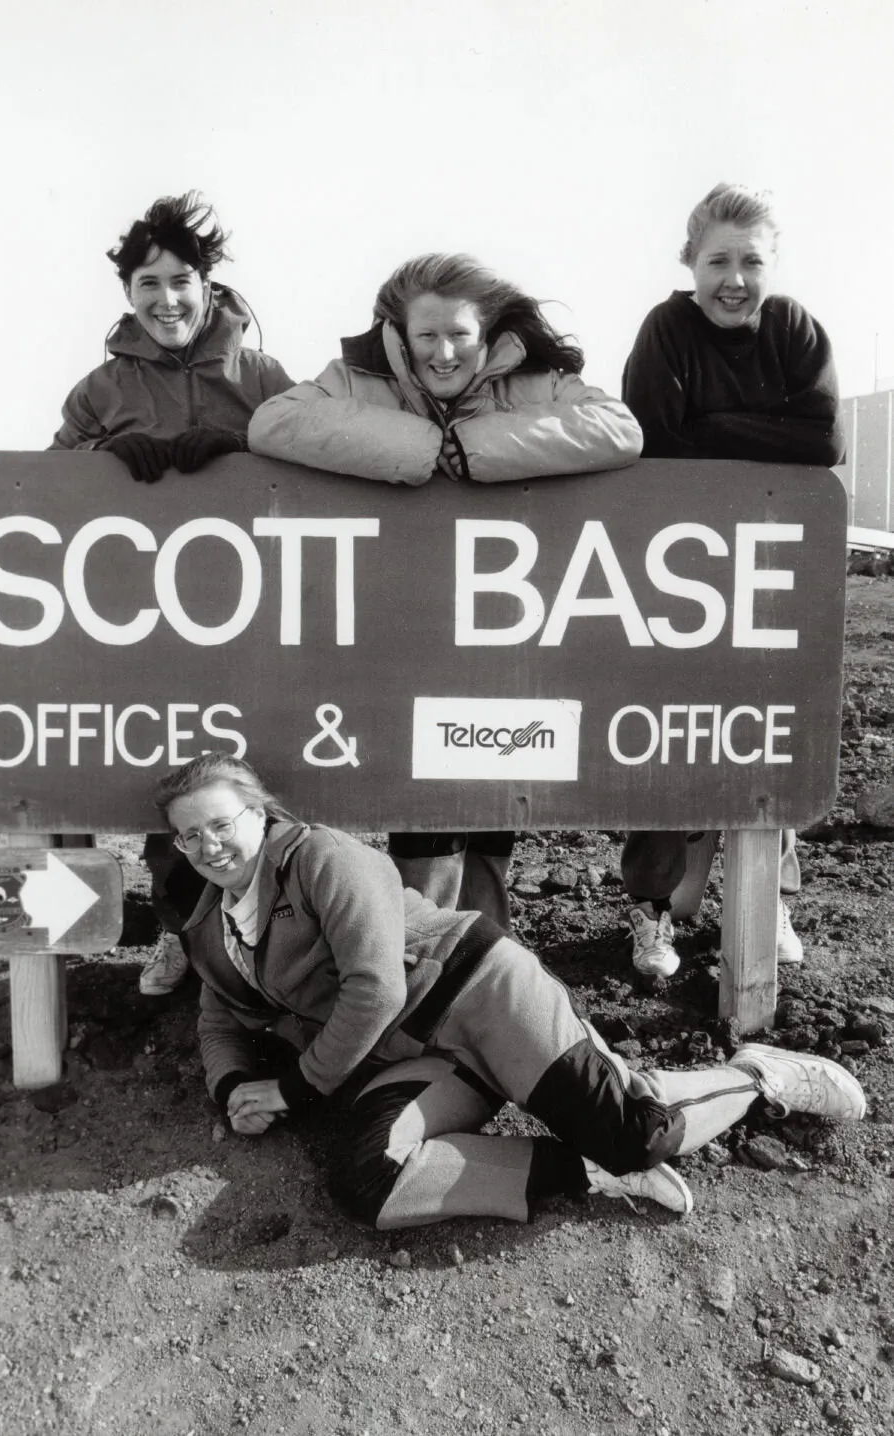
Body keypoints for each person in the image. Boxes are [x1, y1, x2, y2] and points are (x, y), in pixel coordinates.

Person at [154, 752, 866, 1230]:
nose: (210, 845)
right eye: (190, 837)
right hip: (421, 1056)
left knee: (641, 1133)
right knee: (364, 1180)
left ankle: (759, 1076)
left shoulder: (320, 857)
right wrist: (234, 1089)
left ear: (260, 812)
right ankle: (587, 1170)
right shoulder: (212, 923)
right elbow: (218, 1016)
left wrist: (294, 1090)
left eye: (223, 823)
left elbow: (372, 990)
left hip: (480, 996)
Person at [248, 253, 644, 926]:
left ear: (485, 333)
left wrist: (477, 448)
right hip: (395, 636)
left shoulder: (536, 383)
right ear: (400, 334)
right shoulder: (355, 379)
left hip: (500, 635)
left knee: (490, 800)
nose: (444, 351)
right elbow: (272, 423)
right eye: (426, 335)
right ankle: (417, 974)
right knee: (422, 814)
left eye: (459, 333)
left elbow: (619, 428)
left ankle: (485, 968)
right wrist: (420, 447)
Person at [51, 192, 294, 995]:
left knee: (259, 783)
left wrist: (242, 444)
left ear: (208, 283)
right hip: (151, 622)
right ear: (128, 292)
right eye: (148, 283)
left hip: (253, 617)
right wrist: (105, 455)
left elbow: (311, 461)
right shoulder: (98, 388)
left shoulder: (261, 373)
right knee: (173, 777)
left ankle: (276, 945)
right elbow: (50, 485)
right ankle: (179, 936)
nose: (168, 299)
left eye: (182, 279)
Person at [618, 183, 845, 979]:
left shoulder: (795, 330)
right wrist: (759, 439)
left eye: (752, 260)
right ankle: (653, 914)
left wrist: (710, 429)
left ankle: (765, 903)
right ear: (691, 262)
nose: (736, 279)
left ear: (773, 263)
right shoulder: (666, 329)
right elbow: (654, 442)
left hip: (769, 573)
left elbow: (823, 438)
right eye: (719, 260)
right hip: (675, 574)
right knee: (669, 737)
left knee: (766, 736)